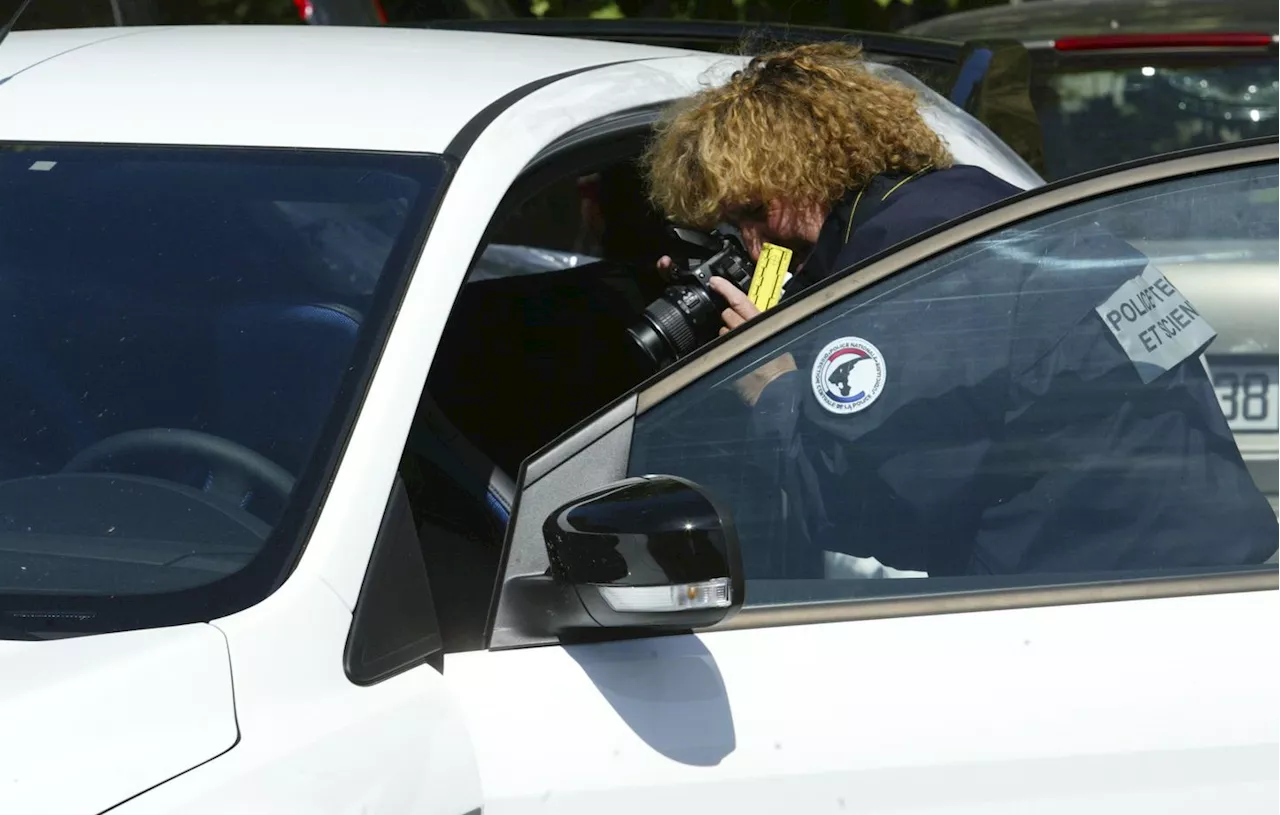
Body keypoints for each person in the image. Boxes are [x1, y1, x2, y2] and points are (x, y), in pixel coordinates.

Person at [638, 42, 1278, 578]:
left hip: (1099, 615)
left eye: (756, 212)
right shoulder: (973, 207)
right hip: (1214, 569)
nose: (753, 244)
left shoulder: (914, 270)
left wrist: (770, 388)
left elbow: (877, 507)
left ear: (805, 171)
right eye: (731, 228)